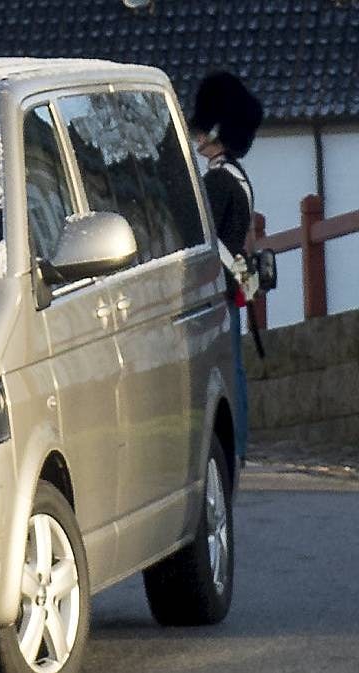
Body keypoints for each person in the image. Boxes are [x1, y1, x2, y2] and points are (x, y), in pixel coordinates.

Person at [189, 70, 264, 464]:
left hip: (219, 289)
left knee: (223, 379)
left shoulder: (218, 181)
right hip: (232, 288)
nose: (198, 136)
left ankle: (231, 454)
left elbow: (202, 239)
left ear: (217, 129)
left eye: (204, 128)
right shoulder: (237, 176)